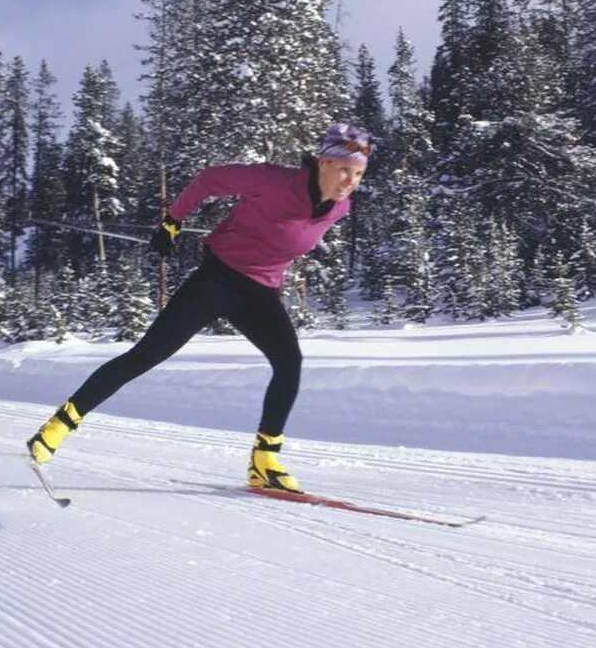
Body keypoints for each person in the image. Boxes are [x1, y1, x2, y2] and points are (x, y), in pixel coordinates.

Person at [26, 123, 371, 493]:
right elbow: (209, 179)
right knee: (145, 356)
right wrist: (173, 220)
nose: (350, 180)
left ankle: (264, 460)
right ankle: (59, 424)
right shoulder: (271, 180)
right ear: (322, 163)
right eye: (343, 169)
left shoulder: (340, 207)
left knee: (289, 362)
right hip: (216, 281)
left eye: (358, 173)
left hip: (260, 294)